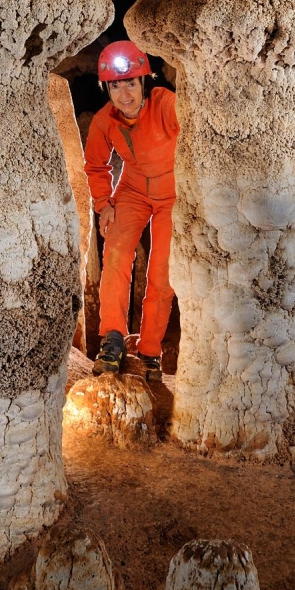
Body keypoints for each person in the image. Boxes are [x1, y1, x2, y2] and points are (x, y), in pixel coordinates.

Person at [83, 39, 179, 382]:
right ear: (107, 89)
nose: (124, 94)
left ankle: (151, 350)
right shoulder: (104, 121)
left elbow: (194, 128)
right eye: (116, 85)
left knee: (162, 272)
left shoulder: (165, 104)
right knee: (118, 253)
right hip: (134, 189)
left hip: (174, 193)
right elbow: (96, 167)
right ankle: (112, 338)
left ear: (144, 83)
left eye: (131, 83)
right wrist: (104, 204)